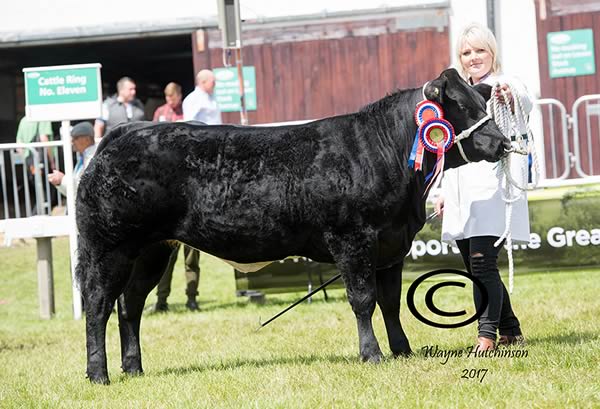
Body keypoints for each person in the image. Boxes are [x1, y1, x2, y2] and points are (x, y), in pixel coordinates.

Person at [435, 22, 532, 351]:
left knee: (481, 263)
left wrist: (509, 97)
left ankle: (486, 335)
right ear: (459, 59)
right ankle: (511, 329)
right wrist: (444, 192)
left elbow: (525, 101)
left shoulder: (505, 84)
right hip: (462, 189)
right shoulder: (459, 96)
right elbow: (453, 146)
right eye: (466, 52)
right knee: (474, 263)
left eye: (480, 50)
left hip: (494, 186)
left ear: (492, 53)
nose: (473, 57)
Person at [150, 82, 198, 312]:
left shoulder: (189, 112)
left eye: (173, 95)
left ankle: (192, 297)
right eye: (167, 96)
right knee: (165, 258)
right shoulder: (160, 114)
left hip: (189, 192)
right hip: (168, 193)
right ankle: (161, 300)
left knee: (192, 258)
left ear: (179, 95)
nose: (171, 100)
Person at [48, 121, 97, 196]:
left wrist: (62, 180)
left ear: (87, 139)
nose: (72, 141)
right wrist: (60, 182)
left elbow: (85, 188)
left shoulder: (92, 158)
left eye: (76, 138)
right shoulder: (85, 157)